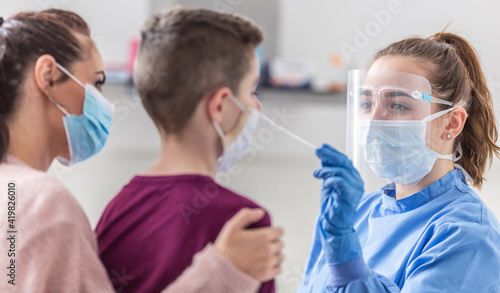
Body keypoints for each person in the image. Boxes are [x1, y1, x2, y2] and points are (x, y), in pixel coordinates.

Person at [0, 9, 283, 293]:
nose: (102, 101)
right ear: (48, 77)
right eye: (97, 83)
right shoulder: (43, 202)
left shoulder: (117, 210)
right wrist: (223, 275)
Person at [95, 7, 281, 293]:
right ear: (220, 105)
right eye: (251, 91)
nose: (257, 107)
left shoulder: (117, 209)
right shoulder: (245, 221)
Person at [298, 32, 500, 292]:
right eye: (366, 103)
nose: (373, 121)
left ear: (451, 123)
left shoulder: (467, 234)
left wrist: (347, 261)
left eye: (398, 105)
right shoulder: (352, 215)